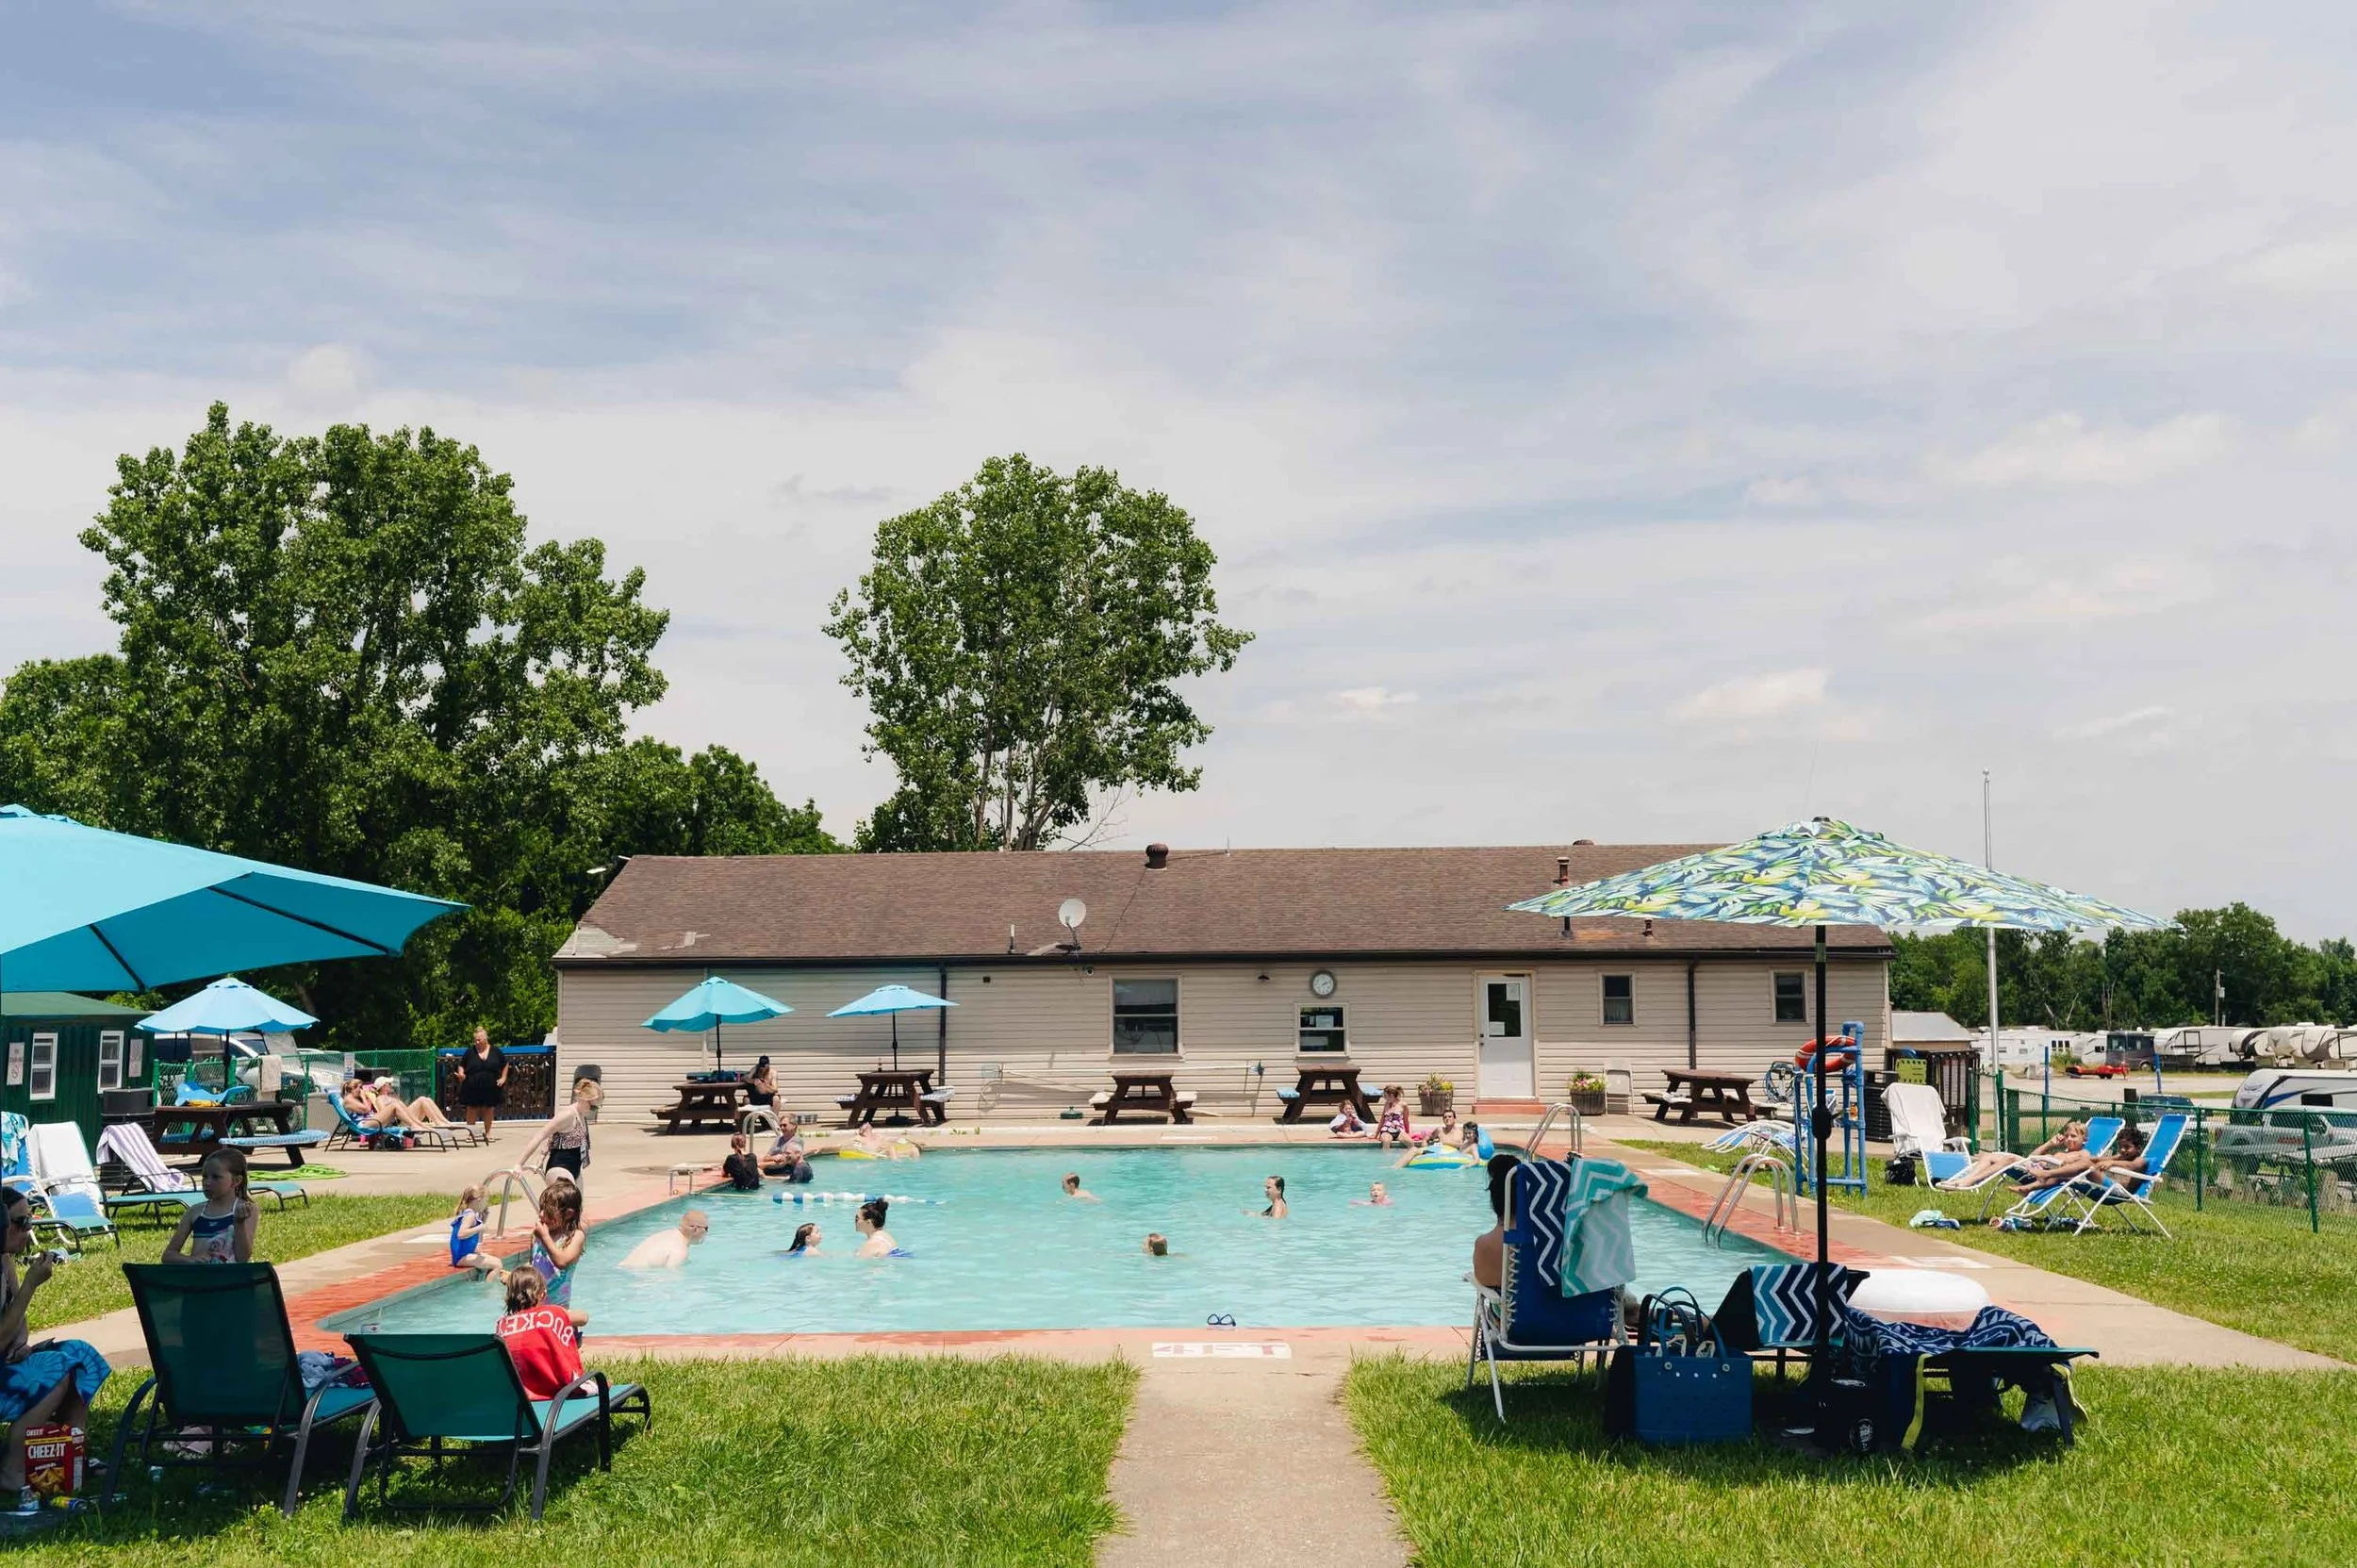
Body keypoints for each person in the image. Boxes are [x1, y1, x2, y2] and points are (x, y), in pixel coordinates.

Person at [0, 1189, 109, 1506]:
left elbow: (16, 1326)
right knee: (57, 1369)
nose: (27, 1230)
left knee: (79, 1354)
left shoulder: (4, 1261)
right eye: (21, 1222)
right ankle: (11, 1468)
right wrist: (32, 1285)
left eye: (29, 1220)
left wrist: (21, 1347)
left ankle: (68, 1458)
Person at [494, 1269, 585, 1402]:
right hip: (555, 1399)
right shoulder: (551, 1314)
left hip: (517, 1399)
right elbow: (583, 1318)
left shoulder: (502, 1325)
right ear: (543, 1295)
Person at [161, 1147, 258, 1264]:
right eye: (205, 1177)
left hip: (230, 1280)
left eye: (216, 1177)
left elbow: (242, 1258)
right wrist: (190, 1260)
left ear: (236, 1181)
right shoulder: (195, 1212)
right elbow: (168, 1255)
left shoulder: (246, 1210)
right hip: (200, 1279)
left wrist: (239, 1223)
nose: (207, 1182)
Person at [1937, 1121, 2087, 1189]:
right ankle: (1966, 1179)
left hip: (2042, 1177)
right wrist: (2049, 1144)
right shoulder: (2062, 1152)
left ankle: (1969, 1181)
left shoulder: (2083, 1155)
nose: (2068, 1139)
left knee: (2009, 1159)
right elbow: (2032, 1156)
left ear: (2084, 1139)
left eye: (2073, 1137)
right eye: (2067, 1136)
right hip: (2035, 1168)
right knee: (1990, 1156)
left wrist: (2047, 1163)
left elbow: (2068, 1170)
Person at [518, 1077, 601, 1184]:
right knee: (566, 1199)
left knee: (578, 1201)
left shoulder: (581, 1115)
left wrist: (542, 1155)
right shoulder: (568, 1114)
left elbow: (554, 1134)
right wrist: (519, 1164)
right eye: (592, 1106)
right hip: (560, 1167)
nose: (593, 1109)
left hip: (575, 1168)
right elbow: (541, 1135)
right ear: (583, 1099)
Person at [529, 1183, 588, 1327]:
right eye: (541, 1208)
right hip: (534, 1305)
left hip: (558, 1308)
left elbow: (561, 1262)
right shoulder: (537, 1236)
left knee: (581, 1317)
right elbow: (533, 1267)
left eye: (548, 1211)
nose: (541, 1214)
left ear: (568, 1214)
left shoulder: (575, 1237)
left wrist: (545, 1237)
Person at [456, 1026, 509, 1144]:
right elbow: (461, 1065)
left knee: (489, 1108)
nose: (477, 1042)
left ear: (485, 1039)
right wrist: (461, 1074)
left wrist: (503, 1077)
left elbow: (505, 1064)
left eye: (479, 1040)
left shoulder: (495, 1051)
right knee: (472, 1108)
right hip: (472, 1084)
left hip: (490, 1085)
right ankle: (471, 1134)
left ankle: (488, 1133)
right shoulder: (470, 1051)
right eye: (475, 1040)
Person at [1473, 1153, 1517, 1290]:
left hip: (1509, 1310)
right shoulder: (1540, 1240)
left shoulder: (1484, 1244)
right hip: (1545, 1309)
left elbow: (1483, 1279)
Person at [619, 1210, 709, 1270]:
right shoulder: (680, 1250)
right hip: (636, 1276)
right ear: (695, 1229)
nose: (706, 1232)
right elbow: (669, 1277)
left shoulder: (667, 1234)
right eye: (706, 1228)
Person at [449, 1185, 494, 1270]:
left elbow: (472, 1236)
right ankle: (487, 1283)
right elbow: (461, 1234)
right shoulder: (470, 1215)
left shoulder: (470, 1214)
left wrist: (484, 1219)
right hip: (462, 1257)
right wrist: (480, 1227)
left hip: (465, 1254)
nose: (486, 1204)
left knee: (493, 1261)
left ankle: (484, 1281)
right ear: (479, 1200)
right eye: (486, 1201)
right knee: (497, 1265)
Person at [1374, 1085, 1412, 1149]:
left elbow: (1406, 1120)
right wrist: (1376, 1134)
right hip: (1386, 1130)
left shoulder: (1403, 1105)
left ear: (1391, 1095)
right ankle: (1387, 1158)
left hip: (1398, 1130)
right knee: (1386, 1142)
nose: (1384, 1098)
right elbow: (1382, 1120)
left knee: (1410, 1143)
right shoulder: (1386, 1105)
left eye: (1385, 1096)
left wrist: (1407, 1132)